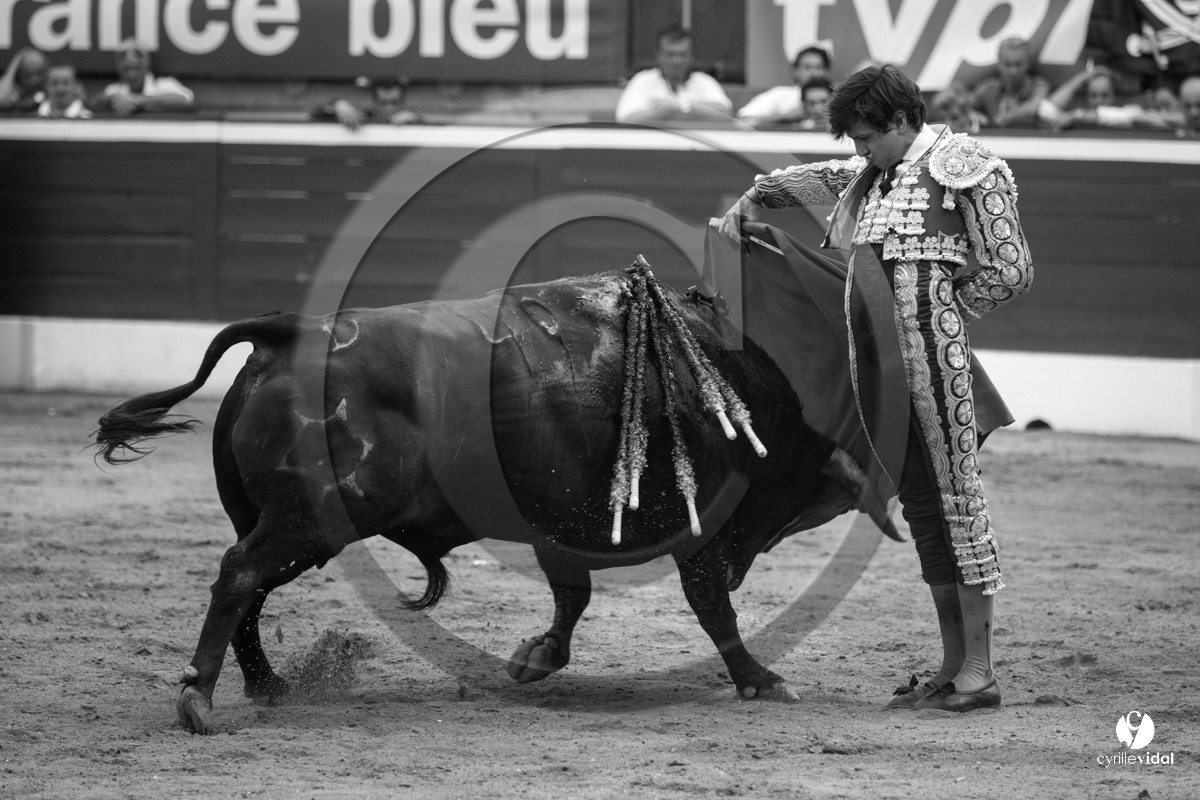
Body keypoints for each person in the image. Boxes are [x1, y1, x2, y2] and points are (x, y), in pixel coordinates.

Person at [715, 63, 1033, 712]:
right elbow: (810, 179)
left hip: (936, 368)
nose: (856, 152)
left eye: (865, 137)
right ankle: (952, 666)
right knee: (921, 506)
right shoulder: (872, 173)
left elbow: (1011, 268)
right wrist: (751, 200)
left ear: (901, 122)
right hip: (878, 375)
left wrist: (941, 315)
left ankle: (979, 672)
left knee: (959, 505)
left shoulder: (967, 164)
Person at [615, 24, 732, 124]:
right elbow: (625, 118)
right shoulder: (643, 80)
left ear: (692, 56)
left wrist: (680, 106)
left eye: (683, 55)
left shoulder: (704, 81)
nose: (677, 61)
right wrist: (665, 113)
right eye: (670, 54)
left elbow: (726, 112)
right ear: (658, 55)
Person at [1038, 65, 1172, 131]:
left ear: (1115, 95)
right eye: (1093, 95)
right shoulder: (1077, 116)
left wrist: (1075, 117)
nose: (1099, 101)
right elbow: (1046, 110)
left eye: (1105, 95)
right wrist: (1081, 79)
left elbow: (1126, 116)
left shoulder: (1130, 111)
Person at [737, 44, 831, 128]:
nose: (814, 73)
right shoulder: (779, 95)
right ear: (795, 71)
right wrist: (784, 118)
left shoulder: (837, 97)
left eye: (819, 67)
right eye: (807, 67)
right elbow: (742, 120)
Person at [92, 39, 193, 116]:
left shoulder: (164, 85)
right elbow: (93, 104)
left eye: (138, 56)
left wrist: (140, 101)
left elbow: (185, 100)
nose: (130, 58)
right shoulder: (115, 90)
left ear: (147, 62)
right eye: (126, 66)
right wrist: (111, 98)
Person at [967, 37, 1050, 128]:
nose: (1013, 71)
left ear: (1028, 64)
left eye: (1019, 65)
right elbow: (964, 105)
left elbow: (1033, 107)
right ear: (998, 64)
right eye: (1007, 65)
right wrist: (974, 115)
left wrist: (1005, 118)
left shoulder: (1038, 85)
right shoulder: (989, 88)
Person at [311, 77, 422, 131]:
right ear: (374, 101)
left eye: (394, 102)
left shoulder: (413, 120)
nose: (389, 108)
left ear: (403, 102)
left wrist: (415, 120)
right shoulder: (364, 117)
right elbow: (315, 116)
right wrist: (337, 105)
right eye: (383, 102)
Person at [0, 47, 47, 113]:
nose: (34, 80)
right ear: (19, 75)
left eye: (39, 74)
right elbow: (1, 99)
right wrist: (15, 64)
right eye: (27, 75)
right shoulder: (13, 96)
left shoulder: (50, 94)